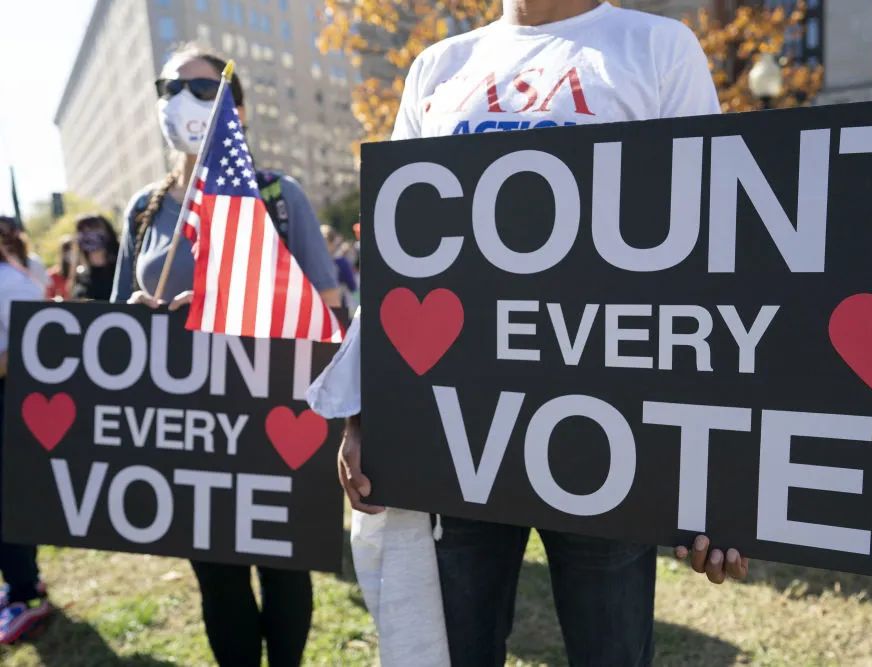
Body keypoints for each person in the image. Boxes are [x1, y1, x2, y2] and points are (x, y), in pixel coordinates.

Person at [308, 1, 749, 665]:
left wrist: (721, 476)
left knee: (611, 651)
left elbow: (709, 256)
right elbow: (404, 257)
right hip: (459, 427)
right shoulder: (438, 67)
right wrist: (366, 410)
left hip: (608, 427)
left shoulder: (658, 47)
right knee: (454, 649)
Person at [111, 43, 340, 667]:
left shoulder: (276, 194)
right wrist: (143, 310)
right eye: (169, 87)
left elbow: (324, 304)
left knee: (284, 568)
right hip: (188, 424)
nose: (181, 99)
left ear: (235, 108)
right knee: (217, 576)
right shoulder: (143, 209)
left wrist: (227, 304)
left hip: (270, 413)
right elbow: (118, 317)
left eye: (204, 89)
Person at [0, 220, 51, 644]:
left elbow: (35, 344)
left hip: (10, 399)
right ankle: (20, 583)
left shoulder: (10, 281)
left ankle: (25, 594)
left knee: (8, 502)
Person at [71, 214, 118, 301]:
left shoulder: (122, 269)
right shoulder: (81, 273)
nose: (88, 235)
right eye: (82, 230)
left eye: (93, 229)